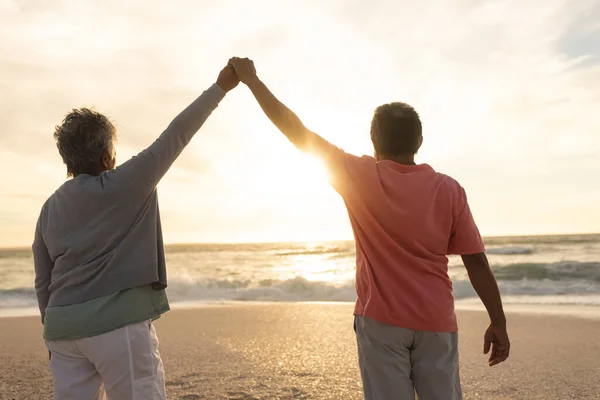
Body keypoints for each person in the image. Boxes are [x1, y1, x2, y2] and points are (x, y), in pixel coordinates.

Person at [228, 57, 510, 400]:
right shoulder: (448, 189)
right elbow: (476, 260)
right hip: (436, 320)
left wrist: (253, 81)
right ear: (419, 140)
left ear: (372, 139)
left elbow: (296, 131)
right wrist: (499, 322)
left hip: (381, 322)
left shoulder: (358, 176)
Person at [32, 64, 239, 400]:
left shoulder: (49, 207)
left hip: (62, 332)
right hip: (117, 328)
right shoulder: (126, 183)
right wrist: (220, 87)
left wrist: (51, 328)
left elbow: (44, 279)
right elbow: (176, 135)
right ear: (105, 156)